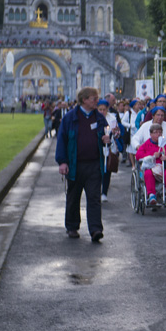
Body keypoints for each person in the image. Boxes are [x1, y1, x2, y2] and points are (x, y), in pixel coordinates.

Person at [56, 87, 111, 242]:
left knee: (94, 198)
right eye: (94, 98)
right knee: (73, 197)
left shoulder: (99, 118)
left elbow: (105, 134)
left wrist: (107, 139)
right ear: (85, 100)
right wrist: (62, 162)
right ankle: (72, 227)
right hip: (75, 165)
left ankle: (95, 229)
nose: (96, 101)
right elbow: (62, 140)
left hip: (94, 164)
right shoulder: (70, 118)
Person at [136, 122, 166, 206]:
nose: (158, 134)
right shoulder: (146, 145)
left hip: (164, 167)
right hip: (152, 167)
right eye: (155, 132)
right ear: (150, 134)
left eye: (159, 132)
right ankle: (151, 195)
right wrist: (152, 155)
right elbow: (138, 156)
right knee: (148, 173)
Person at [96, 99, 121, 202]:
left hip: (109, 148)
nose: (102, 111)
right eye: (100, 109)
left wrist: (115, 132)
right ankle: (97, 190)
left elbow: (117, 134)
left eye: (104, 109)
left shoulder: (112, 118)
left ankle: (104, 192)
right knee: (98, 171)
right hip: (97, 148)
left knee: (107, 170)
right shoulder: (95, 118)